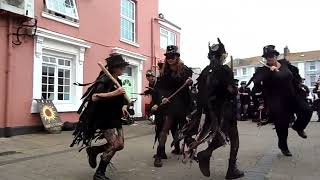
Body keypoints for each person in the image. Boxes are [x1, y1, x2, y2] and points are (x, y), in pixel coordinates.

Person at [183, 38, 244, 179]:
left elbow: (201, 94)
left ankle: (207, 153)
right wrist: (234, 90)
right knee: (234, 138)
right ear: (222, 56)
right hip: (225, 110)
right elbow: (230, 90)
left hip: (210, 111)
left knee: (222, 136)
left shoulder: (205, 71)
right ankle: (230, 169)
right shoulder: (224, 69)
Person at [71, 54, 130, 180]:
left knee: (120, 145)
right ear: (115, 68)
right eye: (121, 67)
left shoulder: (118, 81)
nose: (123, 70)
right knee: (114, 145)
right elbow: (95, 97)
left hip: (115, 117)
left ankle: (94, 151)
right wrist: (115, 93)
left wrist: (124, 107)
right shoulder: (104, 80)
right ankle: (99, 173)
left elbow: (120, 100)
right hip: (105, 118)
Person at [250, 45, 312, 157]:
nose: (270, 58)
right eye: (267, 57)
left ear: (276, 56)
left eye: (272, 56)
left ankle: (298, 127)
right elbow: (257, 81)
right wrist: (269, 72)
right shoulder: (263, 70)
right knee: (282, 125)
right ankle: (283, 146)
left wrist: (300, 85)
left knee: (307, 110)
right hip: (278, 101)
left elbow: (294, 75)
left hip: (293, 96)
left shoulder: (284, 64)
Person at [151, 45, 193, 167]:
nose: (169, 59)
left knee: (186, 128)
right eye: (168, 56)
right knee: (165, 128)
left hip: (183, 103)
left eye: (172, 56)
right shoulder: (164, 72)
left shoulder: (185, 70)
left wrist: (189, 82)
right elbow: (159, 88)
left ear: (177, 57)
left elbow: (188, 83)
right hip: (169, 103)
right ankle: (159, 154)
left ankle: (188, 149)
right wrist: (162, 98)